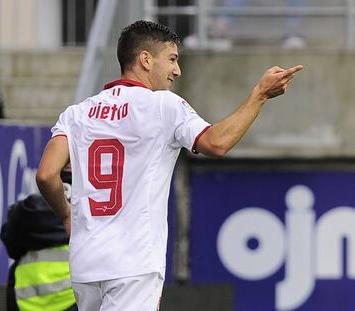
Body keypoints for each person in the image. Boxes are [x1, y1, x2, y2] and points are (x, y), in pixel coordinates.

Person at [36, 20, 303, 311]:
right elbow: (217, 143)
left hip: (86, 263)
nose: (177, 70)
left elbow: (47, 174)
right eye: (172, 59)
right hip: (134, 263)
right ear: (145, 59)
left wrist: (66, 214)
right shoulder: (163, 105)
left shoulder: (77, 114)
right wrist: (259, 95)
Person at [0, 167, 77, 311]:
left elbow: (9, 240)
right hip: (74, 299)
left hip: (25, 300)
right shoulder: (94, 205)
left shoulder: (30, 208)